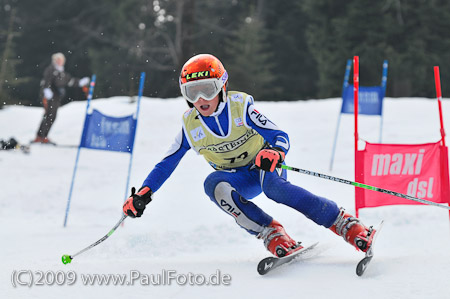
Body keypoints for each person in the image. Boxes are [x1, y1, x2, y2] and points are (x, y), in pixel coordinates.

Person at [123, 54, 377, 258]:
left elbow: (280, 135)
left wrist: (275, 152)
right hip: (239, 179)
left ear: (222, 86)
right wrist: (145, 193)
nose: (201, 99)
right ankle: (271, 232)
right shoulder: (191, 125)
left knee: (275, 189)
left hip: (265, 166)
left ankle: (343, 222)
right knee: (213, 185)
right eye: (192, 92)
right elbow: (167, 163)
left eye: (208, 90)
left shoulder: (239, 106)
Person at [33, 52, 90, 144]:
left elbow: (70, 81)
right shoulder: (51, 70)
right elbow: (46, 81)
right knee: (49, 116)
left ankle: (42, 135)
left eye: (61, 60)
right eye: (58, 60)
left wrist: (80, 82)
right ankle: (41, 136)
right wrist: (46, 91)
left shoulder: (61, 72)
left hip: (55, 98)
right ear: (55, 61)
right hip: (49, 97)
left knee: (51, 116)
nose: (60, 62)